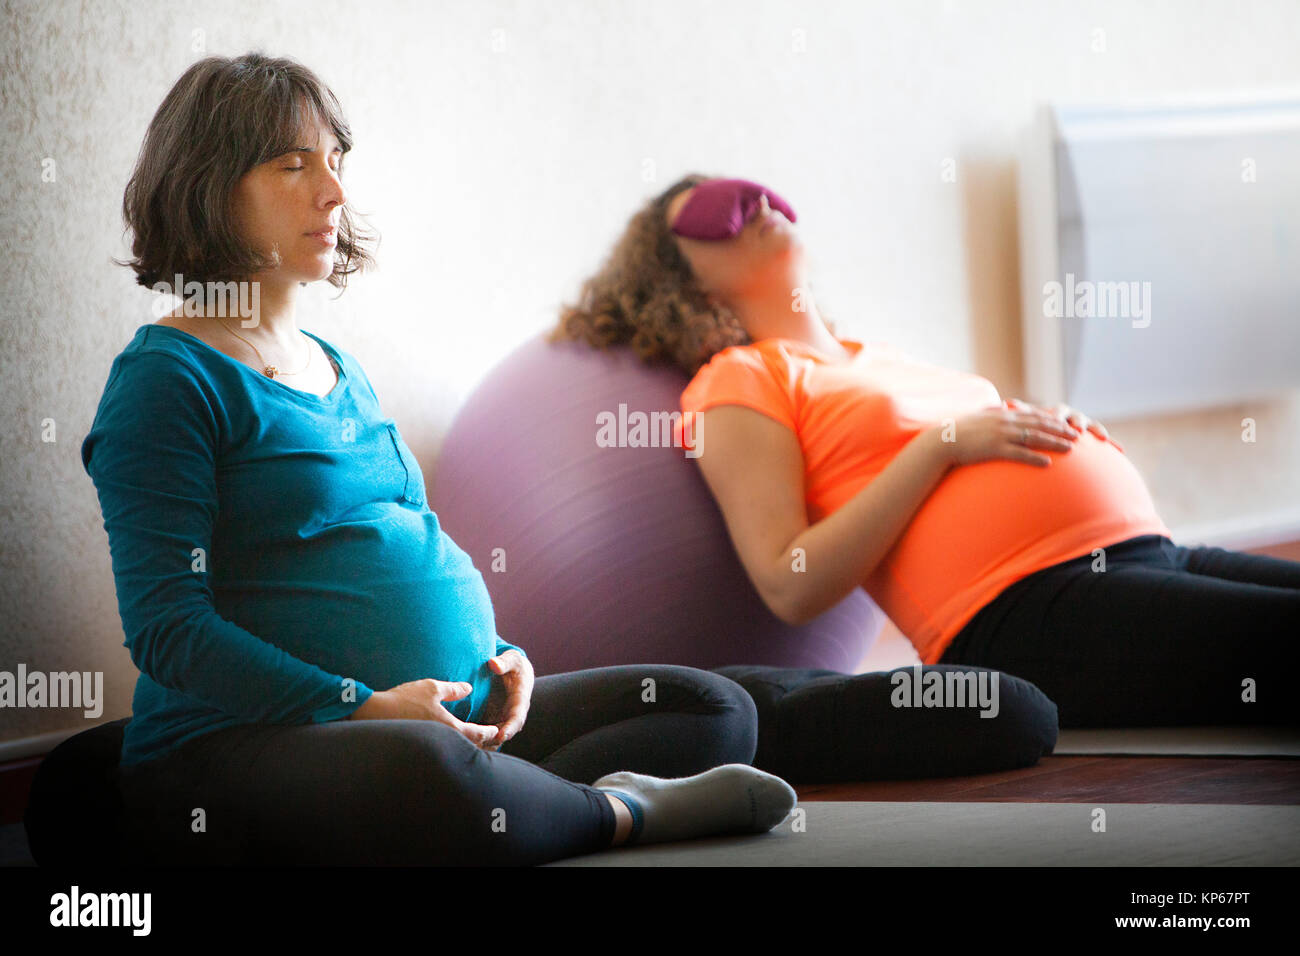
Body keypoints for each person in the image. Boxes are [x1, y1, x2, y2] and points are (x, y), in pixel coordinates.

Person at [82, 56, 798, 867]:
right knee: (426, 773)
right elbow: (170, 630)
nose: (334, 193)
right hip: (248, 747)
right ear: (208, 187)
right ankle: (614, 813)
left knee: (712, 707)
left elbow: (410, 541)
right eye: (293, 165)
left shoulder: (333, 364)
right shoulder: (167, 381)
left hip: (441, 713)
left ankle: (514, 806)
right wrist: (361, 706)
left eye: (335, 162)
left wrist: (508, 656)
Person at [550, 173, 1300, 773]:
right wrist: (940, 444)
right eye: (717, 212)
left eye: (759, 195)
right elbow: (790, 579)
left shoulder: (877, 358)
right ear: (681, 281)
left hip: (1147, 553)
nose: (754, 207)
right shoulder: (739, 378)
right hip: (1030, 609)